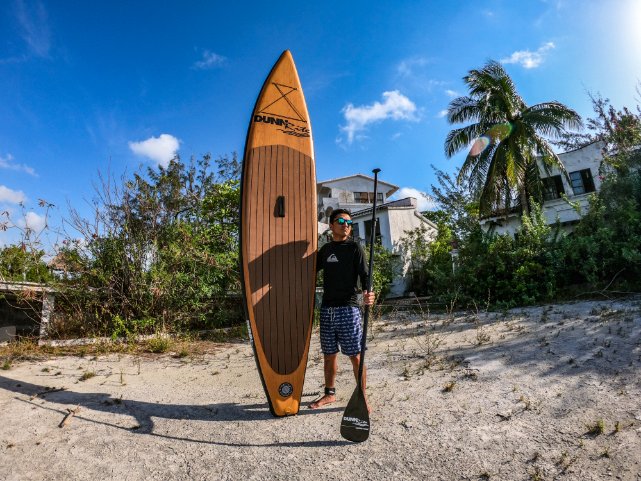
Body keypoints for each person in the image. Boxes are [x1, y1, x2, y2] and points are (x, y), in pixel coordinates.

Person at [309, 209, 375, 411]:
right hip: (327, 309)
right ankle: (329, 394)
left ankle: (361, 396)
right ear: (331, 225)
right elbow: (309, 270)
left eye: (349, 222)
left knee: (355, 355)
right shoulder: (326, 250)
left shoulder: (355, 248)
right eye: (341, 221)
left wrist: (369, 292)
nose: (346, 225)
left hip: (349, 309)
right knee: (329, 355)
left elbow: (365, 275)